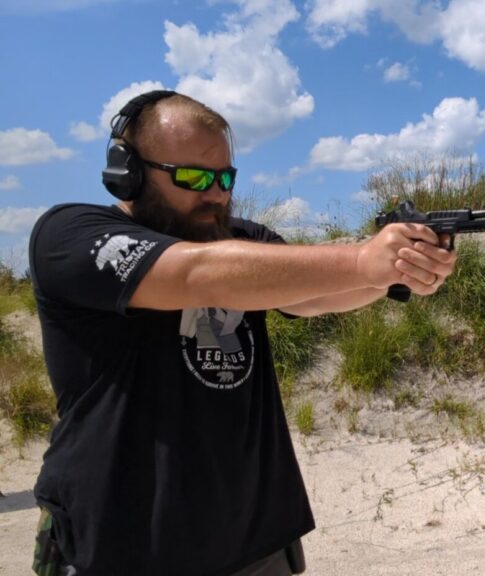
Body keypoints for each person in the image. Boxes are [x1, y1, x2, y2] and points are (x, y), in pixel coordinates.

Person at [28, 90, 457, 575]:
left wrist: (390, 274)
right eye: (193, 177)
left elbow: (309, 297)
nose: (216, 193)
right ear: (129, 172)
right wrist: (361, 259)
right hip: (120, 546)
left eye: (225, 177)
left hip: (252, 545)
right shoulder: (72, 236)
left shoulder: (242, 241)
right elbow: (195, 274)